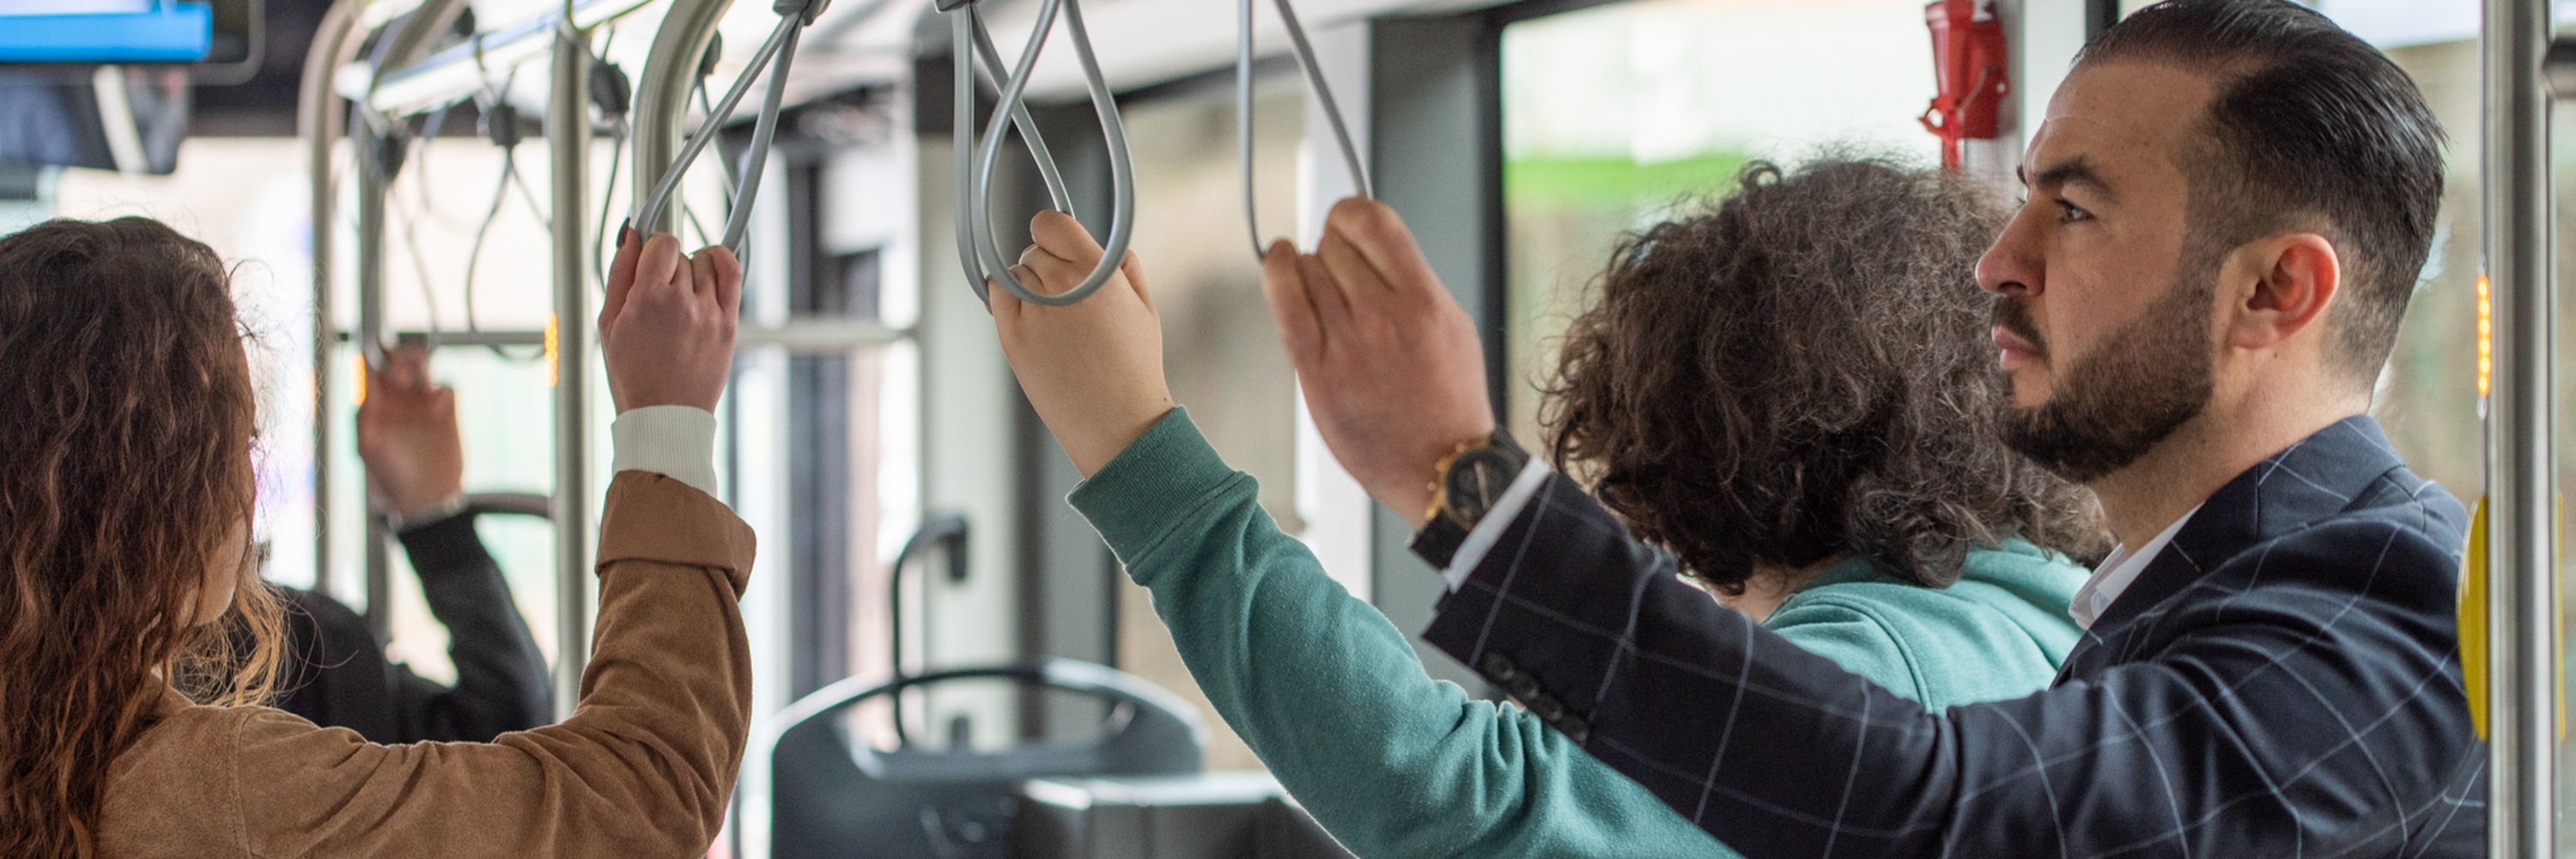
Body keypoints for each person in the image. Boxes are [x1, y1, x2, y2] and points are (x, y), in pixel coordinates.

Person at [1261, 0, 2480, 856]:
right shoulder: (2191, 599)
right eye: (2023, 203)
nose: (1998, 262)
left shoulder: (2394, 613)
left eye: (2076, 211)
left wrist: (1461, 480)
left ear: (2277, 292)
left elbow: (1934, 814)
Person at [991, 155, 2105, 856]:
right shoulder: (2047, 630)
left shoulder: (1882, 664)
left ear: (1694, 461)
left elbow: (1473, 803)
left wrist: (1136, 447)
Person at [0, 216, 756, 858]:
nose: (247, 493)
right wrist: (667, 428)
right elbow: (636, 800)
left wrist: (434, 518)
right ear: (158, 502)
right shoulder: (218, 786)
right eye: (239, 446)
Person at [260, 348, 553, 743]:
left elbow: (503, 729)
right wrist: (435, 522)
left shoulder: (289, 641)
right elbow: (505, 736)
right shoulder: (281, 645)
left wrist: (433, 517)